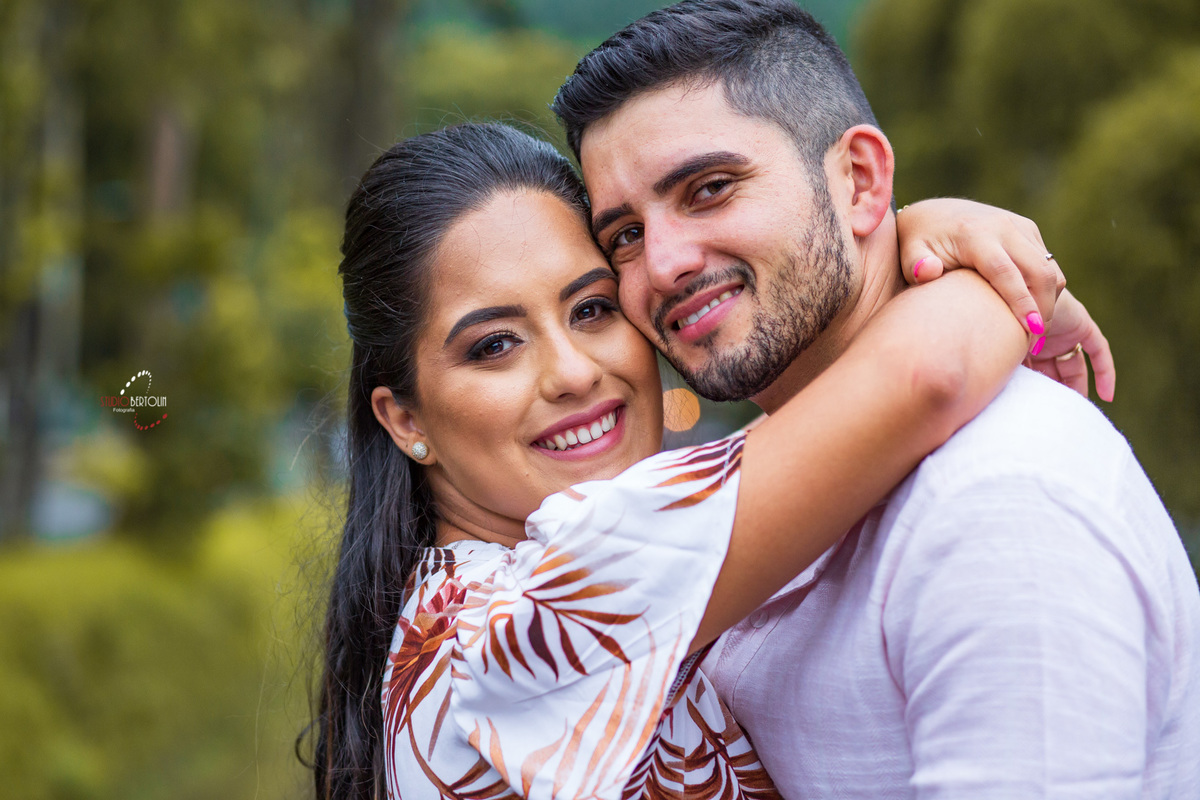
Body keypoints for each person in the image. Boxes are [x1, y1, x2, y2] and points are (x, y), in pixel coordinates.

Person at [309, 118, 1112, 800]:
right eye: (494, 346)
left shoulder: (479, 603)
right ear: (404, 419)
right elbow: (927, 375)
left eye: (591, 308)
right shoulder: (513, 621)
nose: (574, 372)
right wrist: (985, 274)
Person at [551, 1, 1200, 798]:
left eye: (710, 189)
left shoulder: (996, 504)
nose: (664, 263)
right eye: (622, 235)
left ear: (860, 180)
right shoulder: (755, 489)